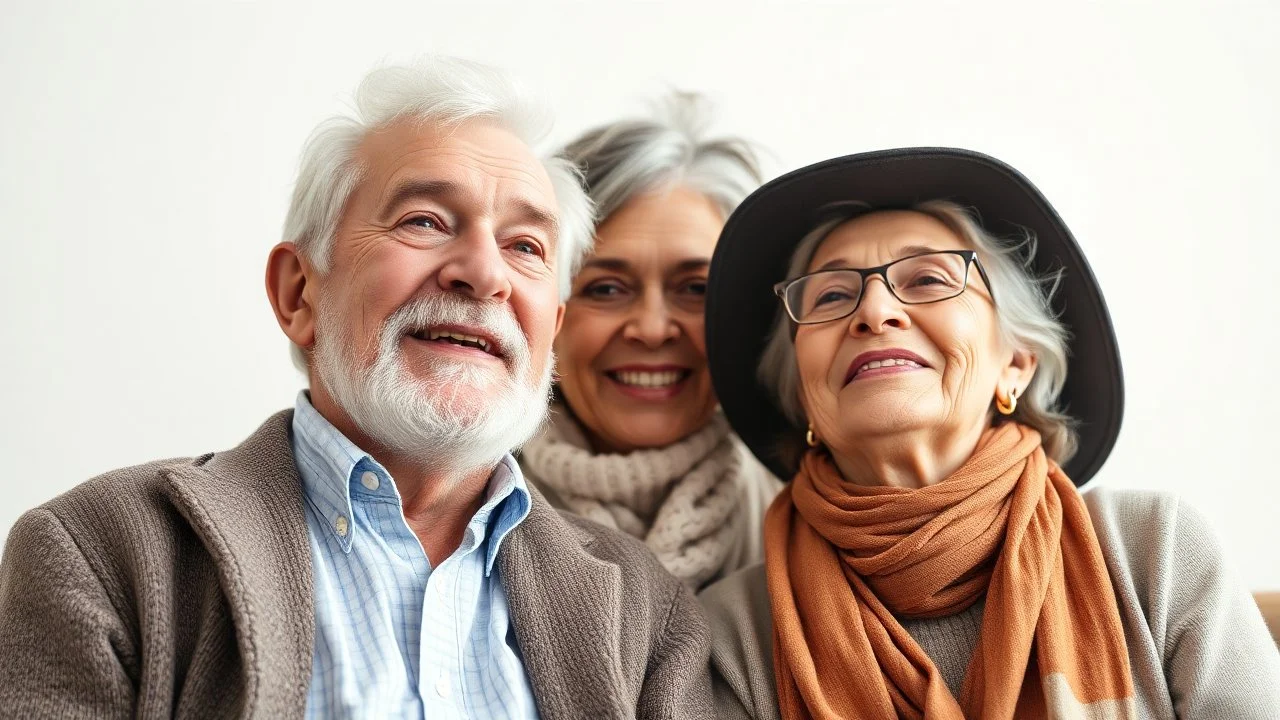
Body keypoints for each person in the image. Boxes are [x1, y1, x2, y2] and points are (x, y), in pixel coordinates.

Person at [0, 58, 716, 719]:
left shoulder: (644, 608)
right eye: (426, 221)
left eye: (525, 246)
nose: (484, 274)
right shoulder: (99, 551)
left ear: (549, 331)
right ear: (298, 292)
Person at [698, 148, 1280, 719]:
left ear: (1017, 363)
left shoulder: (1155, 551)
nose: (874, 311)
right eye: (830, 295)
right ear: (801, 392)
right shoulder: (735, 630)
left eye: (927, 279)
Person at [519, 94, 781, 590]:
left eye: (696, 289)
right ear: (547, 309)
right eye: (606, 288)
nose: (653, 328)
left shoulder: (799, 516)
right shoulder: (463, 508)